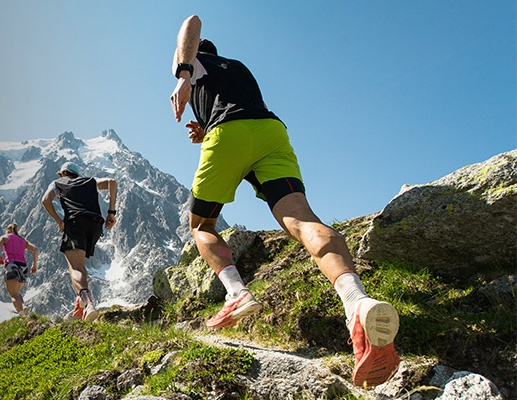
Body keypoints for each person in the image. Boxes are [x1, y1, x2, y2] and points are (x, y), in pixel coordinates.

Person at [168, 15, 399, 388]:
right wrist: (205, 127)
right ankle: (357, 302)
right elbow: (238, 108)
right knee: (302, 221)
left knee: (201, 225)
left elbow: (190, 22)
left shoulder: (192, 62)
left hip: (228, 136)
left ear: (194, 54)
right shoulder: (236, 68)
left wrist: (182, 74)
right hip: (270, 132)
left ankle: (236, 293)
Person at [41, 163, 117, 323]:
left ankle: (88, 304)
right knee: (80, 265)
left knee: (75, 267)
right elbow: (112, 182)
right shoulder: (89, 181)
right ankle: (80, 302)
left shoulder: (57, 183)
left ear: (63, 174)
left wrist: (59, 221)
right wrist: (111, 213)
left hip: (75, 222)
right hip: (96, 224)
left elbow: (45, 201)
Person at [0, 223, 39, 316]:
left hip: (12, 264)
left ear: (8, 231)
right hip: (24, 267)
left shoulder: (5, 237)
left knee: (13, 294)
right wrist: (34, 265)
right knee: (16, 292)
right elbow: (35, 249)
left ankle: (21, 314)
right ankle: (23, 307)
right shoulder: (23, 240)